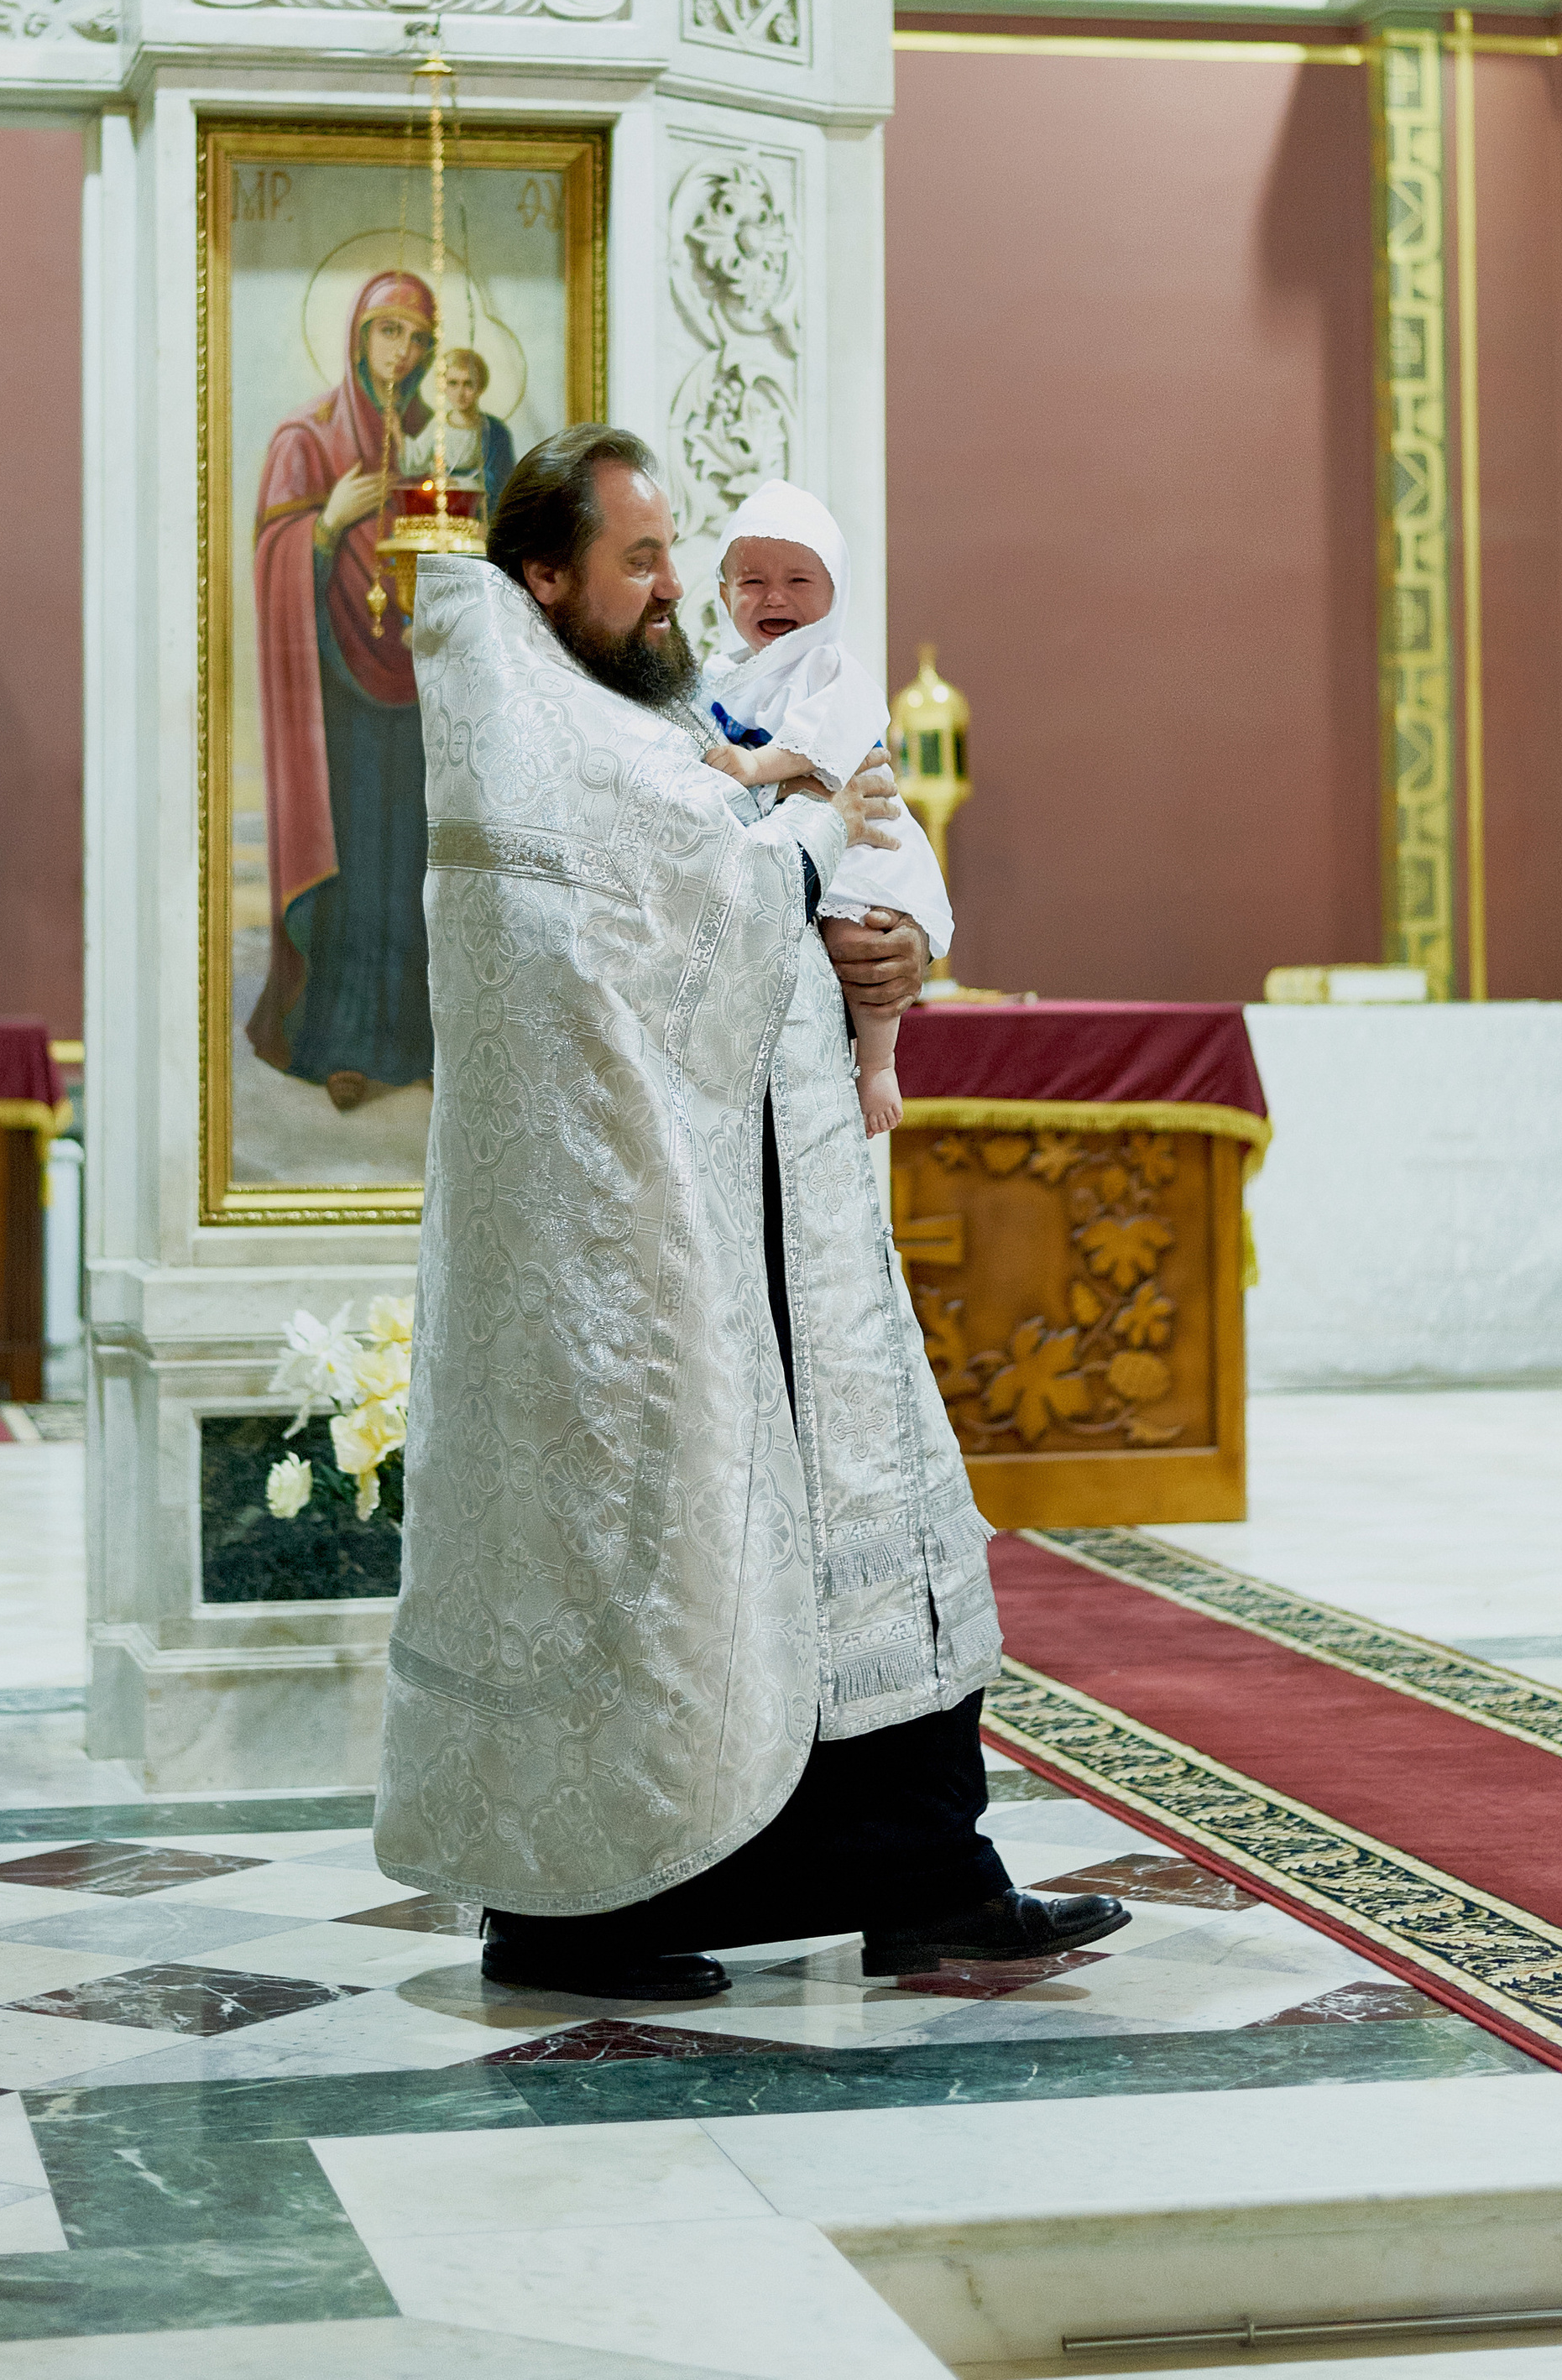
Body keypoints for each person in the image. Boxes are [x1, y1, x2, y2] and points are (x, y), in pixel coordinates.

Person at [374, 424, 1131, 1998]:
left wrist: (893, 946)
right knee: (663, 1564)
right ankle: (586, 1913)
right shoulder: (535, 729)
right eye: (640, 559)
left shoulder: (651, 717)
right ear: (545, 575)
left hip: (782, 1206)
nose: (672, 590)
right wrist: (808, 834)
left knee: (877, 1512)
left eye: (673, 553)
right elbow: (706, 901)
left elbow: (798, 869)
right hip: (645, 1264)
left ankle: (925, 1878)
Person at [701, 478, 952, 1135]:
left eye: (799, 582)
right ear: (723, 593)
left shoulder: (831, 669)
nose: (773, 596)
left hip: (856, 855)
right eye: (750, 582)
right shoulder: (712, 680)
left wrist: (754, 767)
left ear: (836, 592)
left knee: (860, 944)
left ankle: (877, 1064)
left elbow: (818, 747)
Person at [248, 268, 438, 1110]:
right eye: (388, 332)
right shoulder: (308, 437)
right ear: (359, 338)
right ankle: (344, 1045)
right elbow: (273, 561)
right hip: (341, 694)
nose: (402, 352)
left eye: (417, 338)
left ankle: (416, 1041)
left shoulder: (444, 436)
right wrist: (327, 523)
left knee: (415, 865)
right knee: (357, 866)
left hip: (426, 686)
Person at [427, 347, 515, 519]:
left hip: (482, 513)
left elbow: (502, 480)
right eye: (453, 383)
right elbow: (417, 467)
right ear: (443, 385)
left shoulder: (495, 431)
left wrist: (459, 484)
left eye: (468, 384)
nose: (460, 393)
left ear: (481, 387)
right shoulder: (436, 426)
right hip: (440, 510)